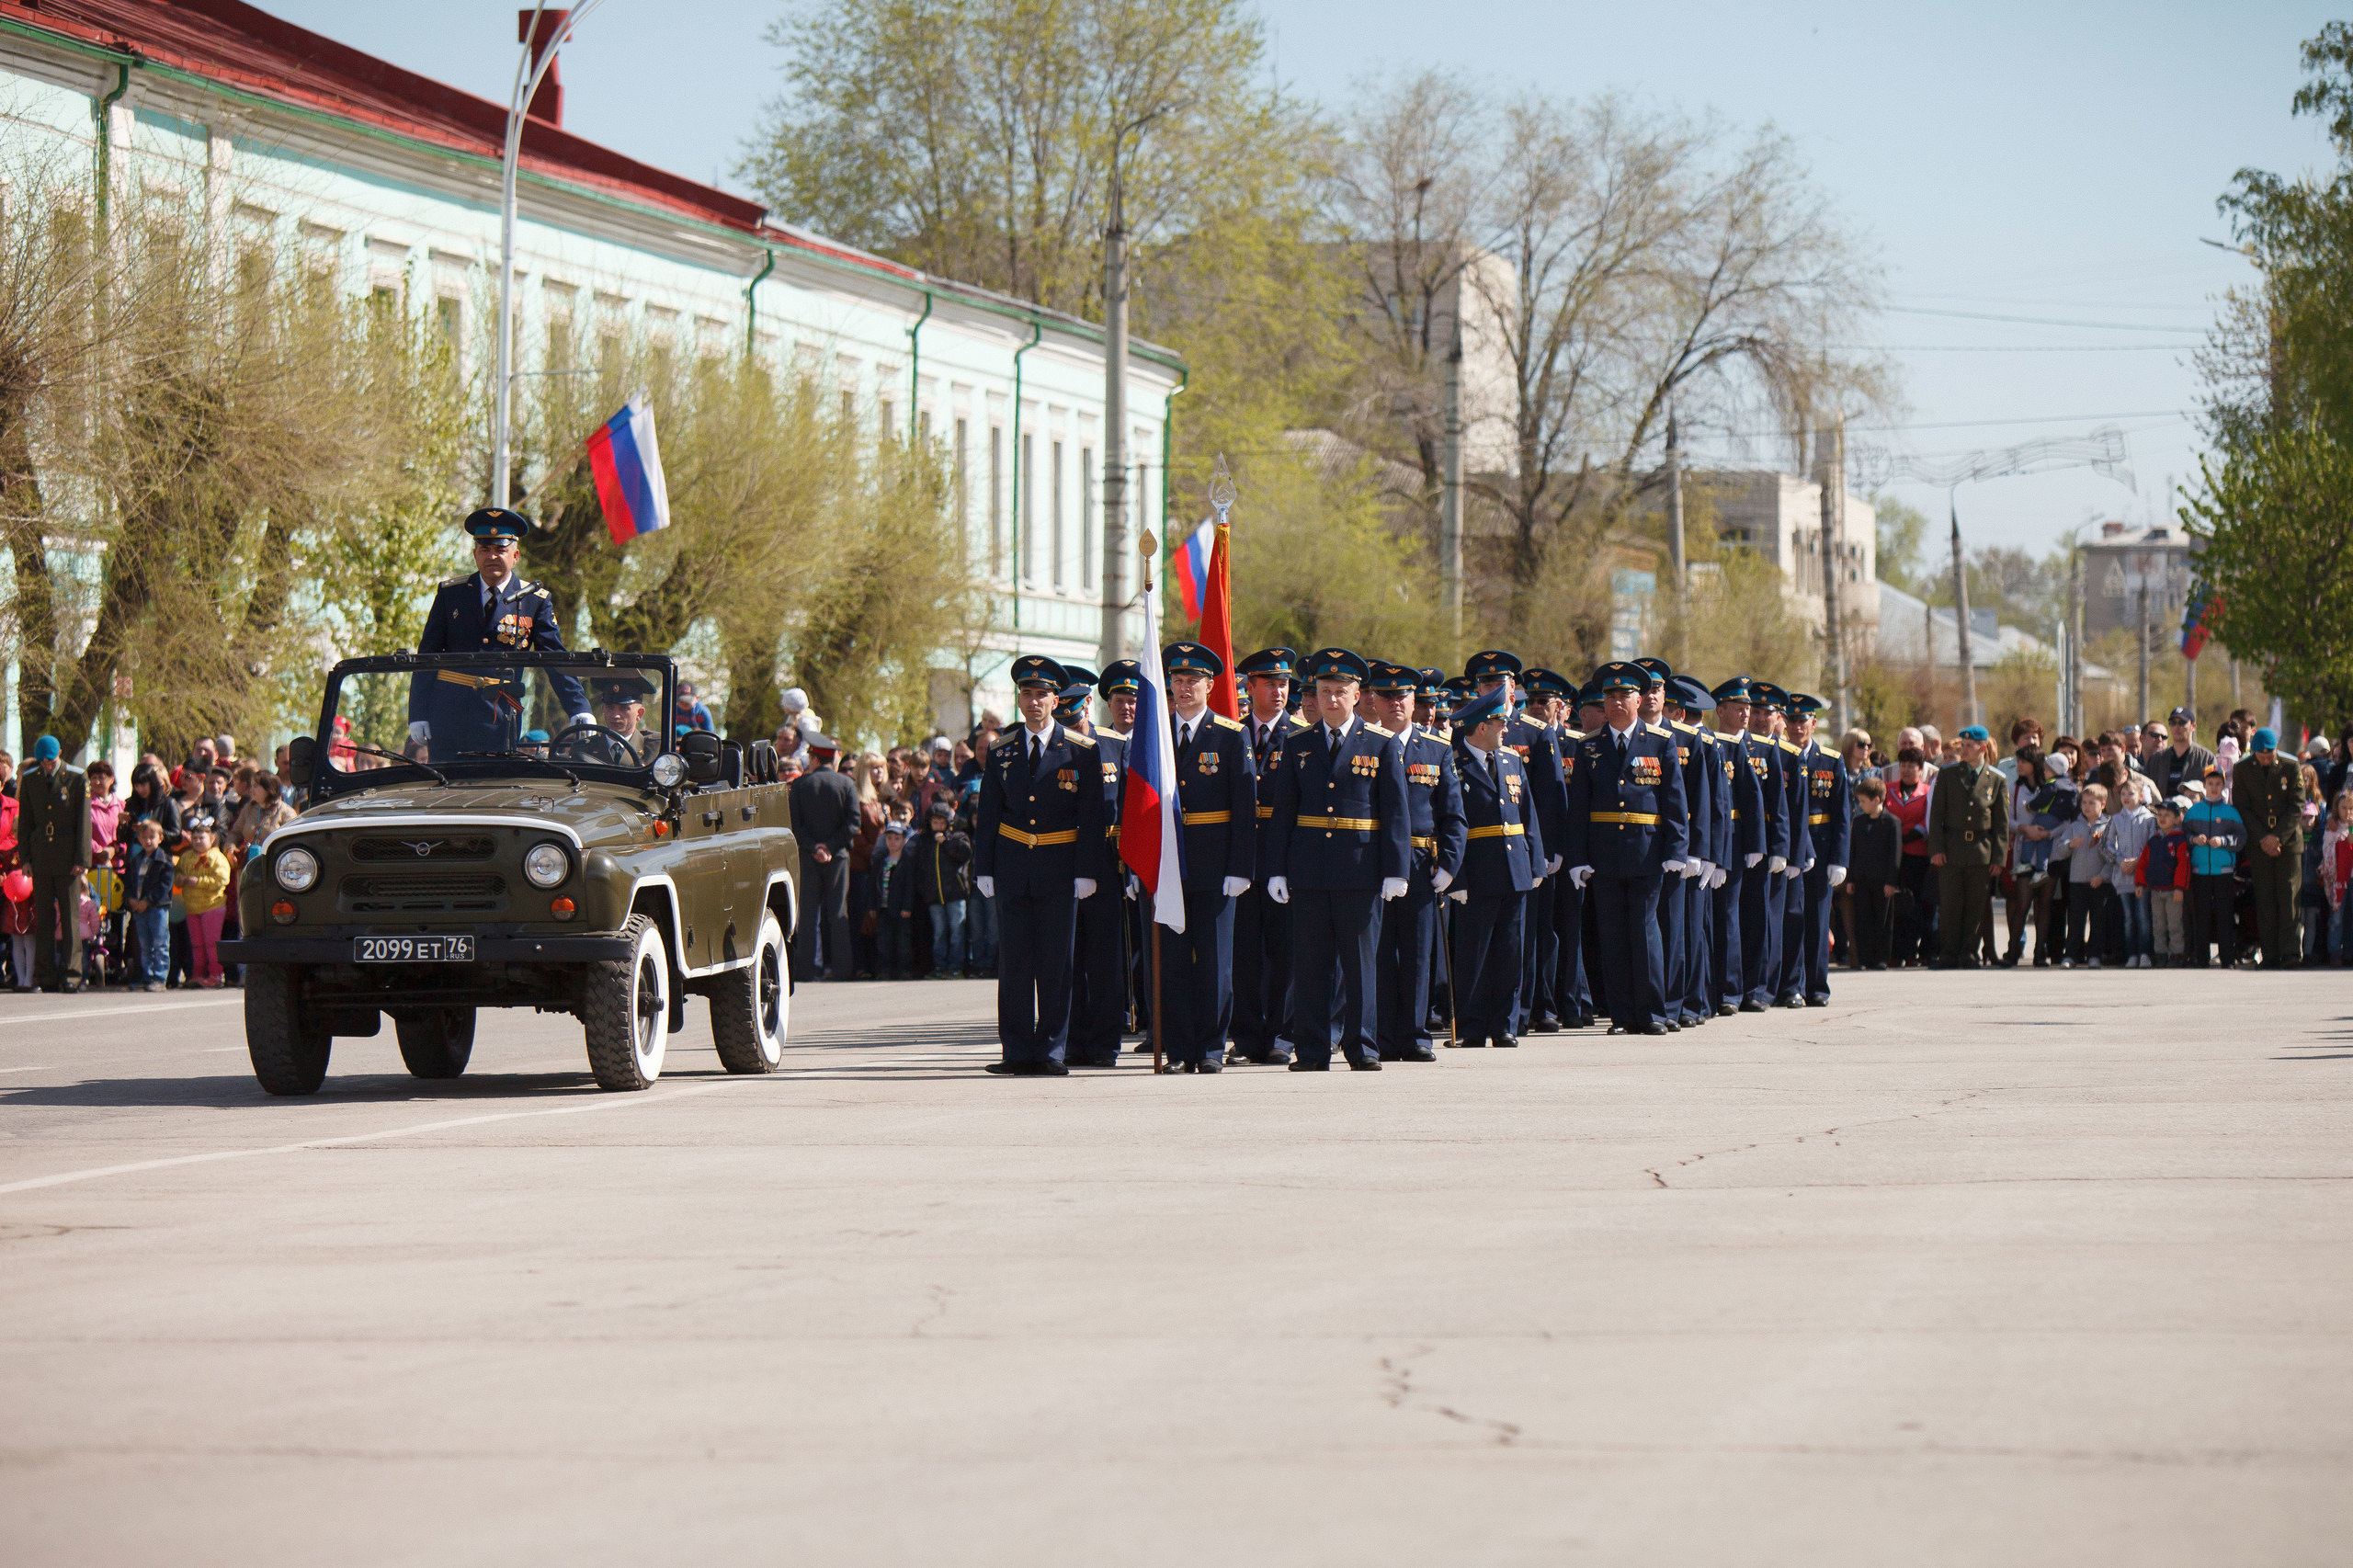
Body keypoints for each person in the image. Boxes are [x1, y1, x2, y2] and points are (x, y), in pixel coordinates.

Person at [1263, 647, 1410, 1072]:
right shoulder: (1298, 744)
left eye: (1339, 692)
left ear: (1357, 694)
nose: (1330, 700)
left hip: (1361, 870)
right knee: (1311, 966)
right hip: (1309, 871)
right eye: (1324, 691)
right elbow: (1284, 812)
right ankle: (1310, 1049)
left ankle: (1362, 1047)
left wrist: (1395, 870)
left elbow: (1395, 811)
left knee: (1361, 967)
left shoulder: (1379, 743)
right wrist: (1277, 868)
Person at [974, 655, 1110, 1075]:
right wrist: (985, 868)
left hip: (1060, 867)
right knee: (1014, 964)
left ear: (1056, 700)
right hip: (1013, 866)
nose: (1033, 703)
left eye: (1041, 695)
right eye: (1026, 694)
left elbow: (1091, 817)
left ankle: (1051, 1050)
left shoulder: (1081, 751)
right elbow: (989, 814)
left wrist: (1086, 870)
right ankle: (1016, 1050)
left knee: (1056, 964)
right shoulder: (1002, 751)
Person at [1563, 662, 1688, 1036]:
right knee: (1613, 936)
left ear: (1639, 700)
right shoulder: (1589, 747)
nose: (1617, 702)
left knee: (1646, 933)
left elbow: (1674, 801)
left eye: (1624, 695)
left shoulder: (1661, 742)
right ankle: (1621, 1016)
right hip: (1604, 854)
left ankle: (1651, 1012)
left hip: (1647, 851)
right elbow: (1579, 808)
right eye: (1610, 696)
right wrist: (1578, 858)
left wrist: (1676, 849)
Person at [406, 507, 591, 760]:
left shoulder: (534, 600)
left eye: (500, 550)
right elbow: (426, 656)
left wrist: (578, 708)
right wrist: (418, 712)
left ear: (515, 555)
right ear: (474, 554)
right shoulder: (451, 594)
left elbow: (554, 658)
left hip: (500, 717)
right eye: (485, 549)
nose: (492, 556)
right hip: (449, 714)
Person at [1368, 659, 1464, 1062]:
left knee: (1418, 952)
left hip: (1422, 861)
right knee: (1378, 954)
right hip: (1372, 862)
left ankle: (1417, 1035)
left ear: (1413, 700)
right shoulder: (1365, 743)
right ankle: (1386, 1038)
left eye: (1402, 696)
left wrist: (1450, 866)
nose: (1395, 704)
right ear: (1374, 700)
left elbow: (1453, 813)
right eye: (1387, 697)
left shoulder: (1437, 749)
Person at [1445, 684, 1542, 1049]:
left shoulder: (1511, 760)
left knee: (1510, 952)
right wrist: (1457, 876)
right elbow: (1450, 824)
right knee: (1473, 953)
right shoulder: (1453, 762)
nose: (1507, 729)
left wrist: (1534, 863)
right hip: (1477, 869)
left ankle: (1505, 1024)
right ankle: (1471, 1025)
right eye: (1501, 724)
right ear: (1482, 727)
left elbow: (1527, 816)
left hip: (1513, 867)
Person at [1230, 646, 1302, 1064]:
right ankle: (1247, 1037)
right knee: (1244, 955)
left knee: (1285, 954)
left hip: (1285, 859)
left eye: (1283, 684)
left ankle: (1282, 1035)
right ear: (1249, 686)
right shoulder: (1231, 734)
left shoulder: (1300, 736)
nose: (1278, 691)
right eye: (1269, 684)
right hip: (1242, 859)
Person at [1060, 676, 1129, 1068]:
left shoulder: (1116, 745)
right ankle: (1073, 1041)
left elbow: (1131, 807)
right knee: (1067, 959)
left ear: (1087, 704)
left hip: (1106, 863)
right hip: (1062, 861)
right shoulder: (1055, 745)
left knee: (1105, 961)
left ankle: (1105, 1043)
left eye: (1076, 707)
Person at [1923, 723, 2007, 970]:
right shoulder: (1948, 775)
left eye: (1970, 746)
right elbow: (1936, 816)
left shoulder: (1996, 780)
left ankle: (1969, 953)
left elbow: (2001, 824)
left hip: (1981, 851)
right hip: (1952, 848)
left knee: (1976, 905)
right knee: (1949, 904)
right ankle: (1948, 954)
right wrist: (1936, 849)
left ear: (1982, 748)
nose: (1965, 750)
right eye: (1963, 745)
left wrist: (1998, 858)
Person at [17, 734, 90, 992]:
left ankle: (72, 974)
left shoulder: (77, 777)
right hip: (41, 855)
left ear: (59, 754)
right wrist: (25, 858)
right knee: (44, 918)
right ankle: (44, 975)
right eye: (43, 761)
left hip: (67, 855)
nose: (47, 765)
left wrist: (82, 860)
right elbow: (25, 821)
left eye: (50, 760)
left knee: (70, 918)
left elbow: (84, 822)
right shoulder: (30, 779)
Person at [1790, 694, 1849, 1006]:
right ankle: (1792, 986)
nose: (1797, 726)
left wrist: (1839, 859)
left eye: (1803, 720)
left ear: (1813, 724)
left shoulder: (1830, 760)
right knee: (1791, 918)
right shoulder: (1781, 756)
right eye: (1792, 720)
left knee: (1817, 920)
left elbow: (1842, 815)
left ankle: (1817, 986)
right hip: (1789, 849)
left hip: (1822, 847)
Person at [789, 734, 859, 983]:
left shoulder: (800, 785)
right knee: (838, 913)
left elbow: (794, 825)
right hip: (838, 857)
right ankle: (842, 969)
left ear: (815, 758)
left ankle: (805, 970)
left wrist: (814, 847)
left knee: (808, 915)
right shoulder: (846, 784)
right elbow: (853, 824)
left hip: (808, 857)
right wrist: (829, 846)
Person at [2233, 727, 2304, 968]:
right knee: (2265, 898)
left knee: (2289, 896)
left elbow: (2297, 806)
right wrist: (2264, 837)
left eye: (2270, 754)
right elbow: (2242, 807)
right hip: (2259, 842)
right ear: (2254, 753)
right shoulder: (2242, 769)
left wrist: (2278, 837)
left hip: (2288, 842)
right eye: (2262, 756)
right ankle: (2271, 954)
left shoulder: (2290, 766)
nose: (2267, 759)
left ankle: (2291, 952)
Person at [2182, 767, 2244, 968]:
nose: (2214, 788)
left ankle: (2227, 958)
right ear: (2204, 785)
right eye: (2210, 784)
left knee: (2225, 916)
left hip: (2223, 873)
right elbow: (2183, 837)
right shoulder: (2193, 812)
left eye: (2218, 784)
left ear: (2224, 785)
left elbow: (2241, 838)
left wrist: (2224, 841)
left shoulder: (2231, 812)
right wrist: (2194, 839)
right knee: (2201, 916)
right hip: (2199, 872)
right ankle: (2201, 958)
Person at [2051, 782, 2114, 967]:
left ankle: (2095, 955)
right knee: (2076, 921)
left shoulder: (2109, 826)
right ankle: (2071, 955)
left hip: (2099, 882)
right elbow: (2059, 850)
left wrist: (2102, 876)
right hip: (2077, 881)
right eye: (2084, 803)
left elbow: (2113, 858)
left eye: (2091, 803)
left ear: (2103, 804)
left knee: (2098, 921)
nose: (2086, 807)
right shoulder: (2075, 826)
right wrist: (2070, 845)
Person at [911, 800, 972, 977]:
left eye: (941, 823)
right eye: (935, 822)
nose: (938, 826)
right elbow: (920, 868)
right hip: (934, 896)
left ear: (948, 823)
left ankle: (956, 966)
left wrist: (946, 842)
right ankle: (939, 965)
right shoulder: (923, 842)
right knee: (939, 932)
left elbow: (965, 853)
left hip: (955, 894)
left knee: (957, 931)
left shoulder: (958, 837)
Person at [2103, 777, 2159, 967]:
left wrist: (2138, 862)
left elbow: (2153, 845)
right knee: (2128, 919)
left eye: (2131, 793)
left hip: (2142, 877)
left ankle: (2145, 953)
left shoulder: (2150, 819)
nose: (2126, 797)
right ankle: (2131, 954)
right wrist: (2120, 861)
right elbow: (2107, 845)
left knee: (2143, 916)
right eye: (2123, 794)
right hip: (2123, 876)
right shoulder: (2116, 819)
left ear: (2141, 796)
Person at [1848, 777, 1900, 970]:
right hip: (1862, 879)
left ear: (1877, 800)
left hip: (1882, 881)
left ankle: (1881, 958)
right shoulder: (1859, 822)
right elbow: (1853, 852)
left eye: (1863, 801)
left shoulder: (1892, 822)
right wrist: (1851, 879)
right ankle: (1864, 958)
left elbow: (1894, 854)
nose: (1860, 805)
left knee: (1883, 921)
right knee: (1863, 920)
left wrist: (1891, 882)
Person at [2138, 796, 2194, 968]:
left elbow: (2183, 865)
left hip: (2172, 891)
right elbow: (2143, 863)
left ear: (2177, 819)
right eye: (2159, 814)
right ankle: (2161, 953)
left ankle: (2177, 954)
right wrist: (2140, 883)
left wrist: (2179, 887)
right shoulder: (2154, 841)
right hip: (2156, 890)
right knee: (2158, 924)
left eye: (2167, 815)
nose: (2162, 818)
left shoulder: (2179, 840)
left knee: (2174, 924)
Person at [176, 815, 232, 988]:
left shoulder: (217, 858)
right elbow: (179, 873)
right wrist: (179, 879)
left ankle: (216, 975)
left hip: (212, 906)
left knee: (211, 943)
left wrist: (199, 882)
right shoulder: (186, 857)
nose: (198, 841)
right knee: (197, 944)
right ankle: (198, 973)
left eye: (202, 838)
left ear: (212, 838)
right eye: (195, 838)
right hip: (192, 907)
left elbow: (222, 880)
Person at [120, 816, 175, 993]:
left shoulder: (164, 860)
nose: (148, 841)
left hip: (157, 908)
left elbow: (165, 886)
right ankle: (147, 975)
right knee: (145, 945)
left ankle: (159, 977)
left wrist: (148, 901)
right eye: (144, 837)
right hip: (139, 909)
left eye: (152, 837)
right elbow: (128, 884)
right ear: (139, 840)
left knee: (160, 943)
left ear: (160, 838)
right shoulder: (136, 860)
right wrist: (130, 900)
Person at [870, 821, 915, 980]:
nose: (893, 842)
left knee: (903, 941)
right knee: (883, 942)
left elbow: (910, 886)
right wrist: (872, 906)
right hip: (883, 907)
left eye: (897, 838)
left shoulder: (907, 861)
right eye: (889, 838)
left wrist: (907, 907)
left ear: (903, 840)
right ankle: (884, 970)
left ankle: (904, 969)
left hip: (901, 909)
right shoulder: (880, 860)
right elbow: (873, 885)